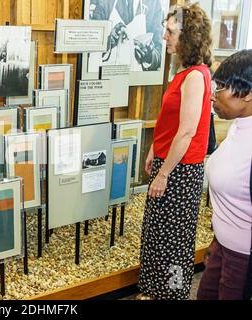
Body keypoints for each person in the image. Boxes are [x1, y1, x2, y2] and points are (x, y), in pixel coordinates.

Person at [137, 4, 213, 300]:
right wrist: (155, 149)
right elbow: (171, 119)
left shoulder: (195, 75)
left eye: (170, 31)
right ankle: (155, 291)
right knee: (156, 237)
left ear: (189, 37)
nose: (164, 36)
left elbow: (187, 132)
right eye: (165, 29)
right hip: (168, 164)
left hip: (180, 172)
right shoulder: (181, 70)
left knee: (175, 245)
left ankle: (171, 294)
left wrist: (164, 173)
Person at [196, 50, 252, 300]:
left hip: (242, 258)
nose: (213, 96)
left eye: (220, 88)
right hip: (223, 245)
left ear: (248, 94)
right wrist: (216, 240)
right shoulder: (238, 128)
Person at [90, 0, 164, 71]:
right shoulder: (105, 2)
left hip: (137, 80)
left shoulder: (154, 4)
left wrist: (149, 56)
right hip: (108, 76)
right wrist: (108, 41)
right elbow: (91, 44)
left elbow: (160, 53)